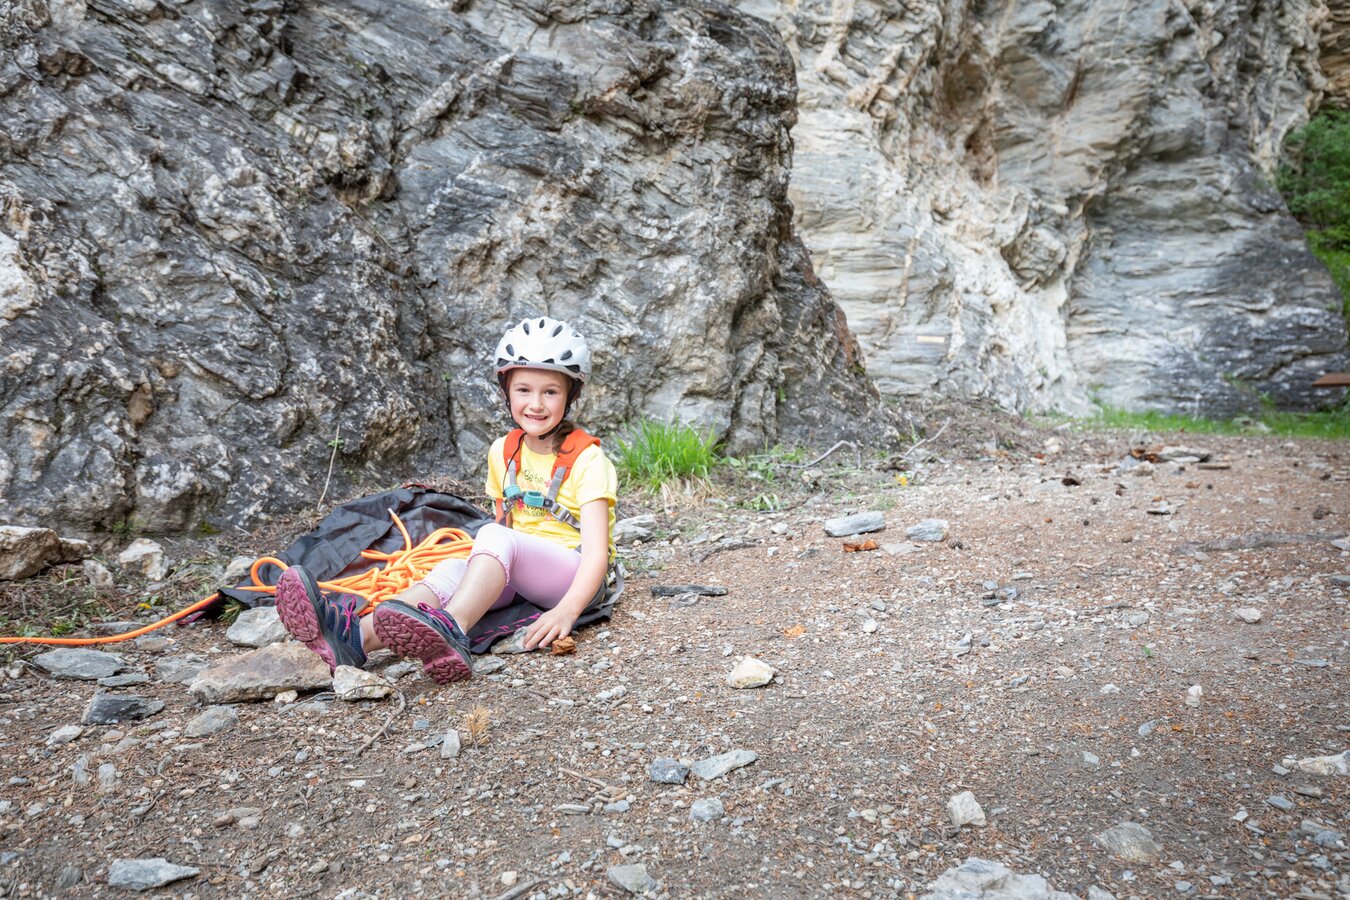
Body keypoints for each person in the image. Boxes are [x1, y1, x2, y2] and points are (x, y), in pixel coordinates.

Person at [274, 316, 618, 684]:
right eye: (523, 390)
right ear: (506, 391)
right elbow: (507, 526)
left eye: (550, 392)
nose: (535, 403)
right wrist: (477, 573)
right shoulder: (503, 452)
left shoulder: (587, 459)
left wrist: (567, 611)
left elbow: (596, 555)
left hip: (577, 577)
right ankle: (354, 638)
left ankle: (451, 628)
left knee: (492, 536)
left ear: (570, 395)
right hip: (526, 572)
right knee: (452, 570)